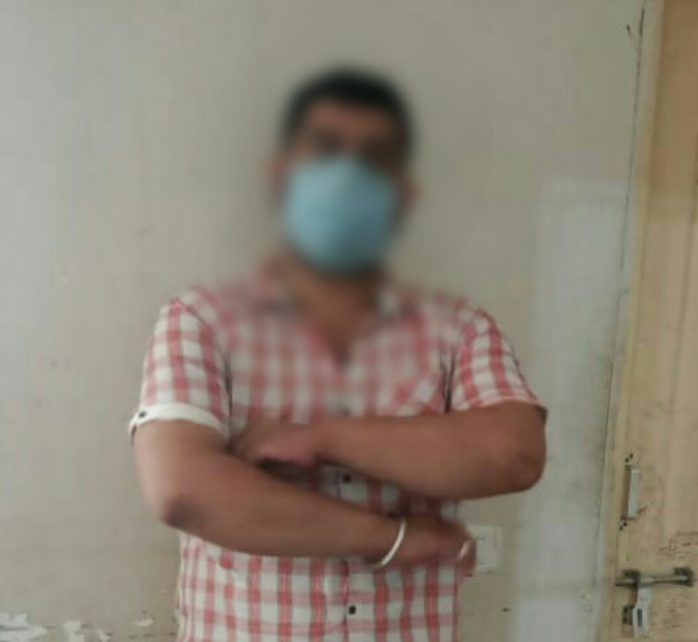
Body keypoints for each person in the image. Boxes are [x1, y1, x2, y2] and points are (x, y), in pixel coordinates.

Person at [130, 67, 546, 642]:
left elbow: (512, 453)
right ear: (281, 176)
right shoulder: (201, 320)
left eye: (374, 158)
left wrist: (321, 438)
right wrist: (392, 539)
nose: (348, 177)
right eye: (325, 151)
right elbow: (182, 488)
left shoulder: (460, 329)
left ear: (403, 193)